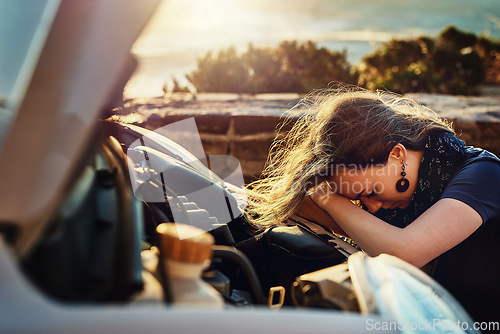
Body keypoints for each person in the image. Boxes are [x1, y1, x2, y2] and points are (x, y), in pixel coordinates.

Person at [244, 88, 500, 324]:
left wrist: (329, 200)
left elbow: (405, 253)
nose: (373, 208)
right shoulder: (397, 206)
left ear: (397, 154)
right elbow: (299, 205)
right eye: (358, 200)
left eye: (371, 191)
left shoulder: (484, 173)